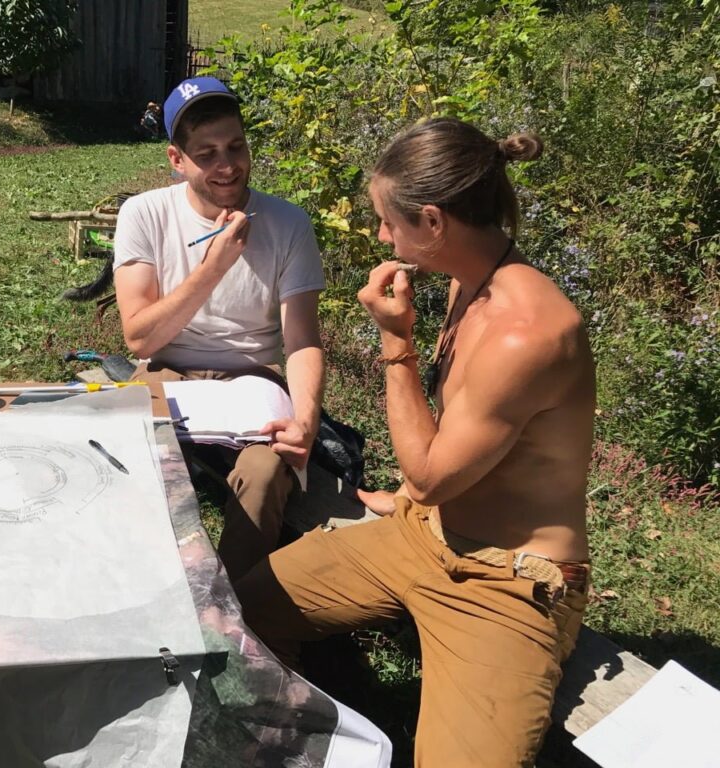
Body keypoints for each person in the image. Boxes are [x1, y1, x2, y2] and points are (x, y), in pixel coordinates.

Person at [233, 117, 596, 767]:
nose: (380, 235)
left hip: (506, 581)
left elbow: (430, 471)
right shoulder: (469, 278)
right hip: (421, 529)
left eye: (387, 221)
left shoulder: (526, 333)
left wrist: (395, 342)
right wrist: (408, 498)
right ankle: (294, 738)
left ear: (432, 222)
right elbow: (454, 449)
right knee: (247, 611)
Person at [112, 77, 325, 582]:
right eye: (206, 153)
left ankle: (230, 602)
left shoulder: (288, 222)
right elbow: (140, 340)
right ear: (176, 159)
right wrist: (215, 265)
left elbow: (302, 340)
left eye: (235, 146)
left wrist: (307, 422)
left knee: (267, 470)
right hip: (168, 369)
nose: (227, 165)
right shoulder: (144, 214)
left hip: (252, 381)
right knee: (119, 450)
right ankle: (145, 579)